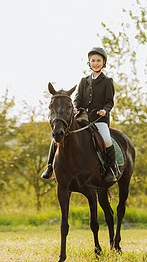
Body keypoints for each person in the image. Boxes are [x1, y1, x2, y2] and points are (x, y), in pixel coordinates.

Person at [41, 46, 119, 182]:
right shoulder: (83, 81)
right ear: (89, 63)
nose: (96, 63)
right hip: (82, 117)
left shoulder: (108, 82)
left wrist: (105, 110)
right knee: (57, 135)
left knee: (106, 139)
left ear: (103, 63)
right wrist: (76, 108)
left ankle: (111, 169)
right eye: (93, 61)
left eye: (98, 61)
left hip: (99, 119)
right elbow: (77, 99)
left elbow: (109, 102)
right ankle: (49, 166)